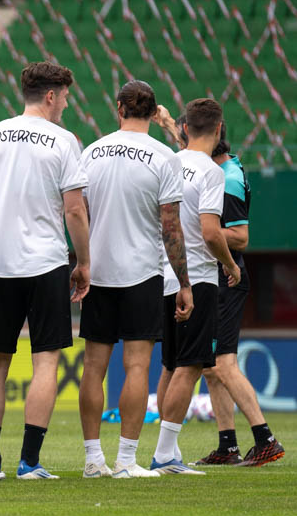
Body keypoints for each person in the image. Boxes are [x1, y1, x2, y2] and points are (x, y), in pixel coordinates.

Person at [0, 62, 90, 479]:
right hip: (46, 261)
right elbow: (74, 209)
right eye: (64, 96)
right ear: (50, 96)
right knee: (45, 360)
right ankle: (29, 461)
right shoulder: (64, 140)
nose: (66, 104)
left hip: (2, 263)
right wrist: (84, 261)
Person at [76, 81, 187, 479]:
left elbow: (76, 214)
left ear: (119, 107)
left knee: (93, 367)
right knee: (137, 366)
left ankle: (93, 459)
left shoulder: (91, 152)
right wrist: (184, 283)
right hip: (142, 272)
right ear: (154, 111)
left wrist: (80, 262)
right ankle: (125, 460)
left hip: (99, 271)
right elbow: (171, 229)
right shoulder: (164, 157)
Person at [146, 99, 242, 475]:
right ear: (219, 130)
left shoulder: (171, 162)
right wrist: (231, 265)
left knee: (170, 365)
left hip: (165, 275)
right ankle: (166, 455)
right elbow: (209, 232)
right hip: (198, 278)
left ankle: (157, 451)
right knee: (189, 365)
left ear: (185, 129)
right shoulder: (212, 173)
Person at [195, 127, 284, 467]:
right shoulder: (220, 167)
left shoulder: (227, 179)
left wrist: (203, 231)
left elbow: (241, 237)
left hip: (227, 278)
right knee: (211, 368)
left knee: (224, 364)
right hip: (218, 276)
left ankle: (265, 439)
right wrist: (164, 122)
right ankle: (227, 446)